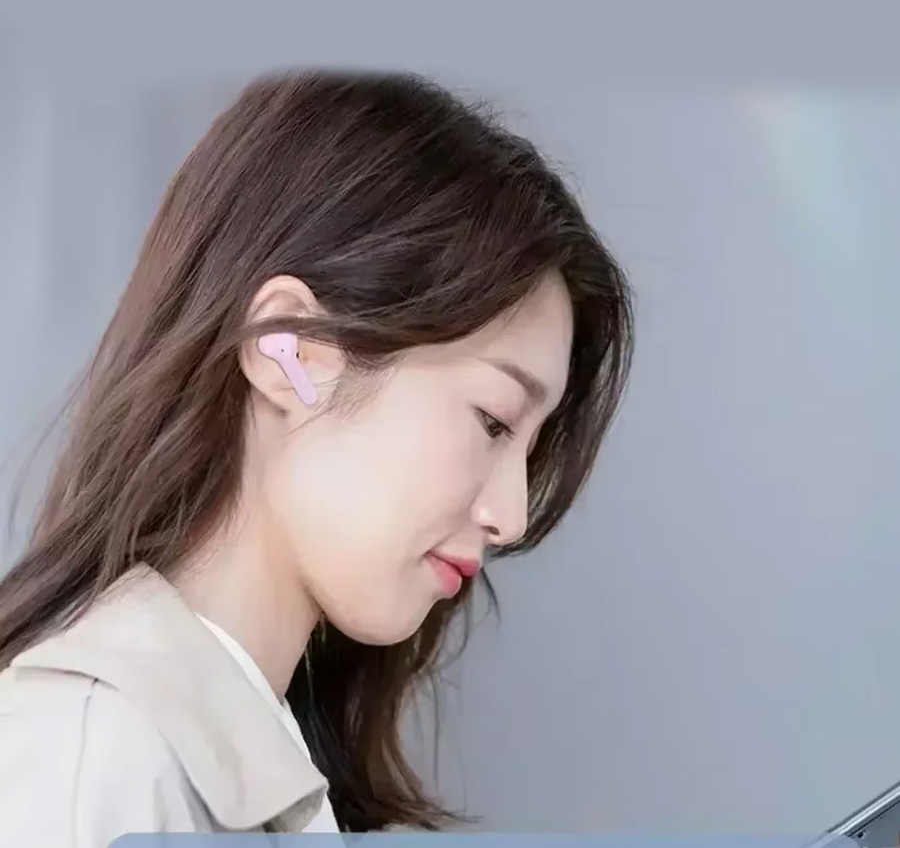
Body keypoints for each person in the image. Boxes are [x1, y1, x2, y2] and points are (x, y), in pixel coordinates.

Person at [0, 69, 634, 843]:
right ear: (290, 350)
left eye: (530, 448)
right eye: (495, 422)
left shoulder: (225, 757)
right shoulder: (90, 760)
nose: (511, 515)